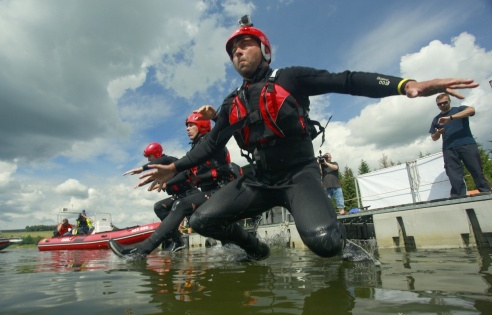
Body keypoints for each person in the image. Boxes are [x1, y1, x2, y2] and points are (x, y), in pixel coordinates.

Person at [136, 16, 478, 261]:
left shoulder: (290, 78)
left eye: (245, 44)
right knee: (201, 220)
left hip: (299, 175)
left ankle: (346, 249)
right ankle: (257, 251)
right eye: (233, 50)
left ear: (264, 50)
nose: (238, 52)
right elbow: (212, 145)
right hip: (258, 180)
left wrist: (406, 85)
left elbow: (346, 80)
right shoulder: (232, 103)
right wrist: (174, 166)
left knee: (324, 244)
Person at [109, 113, 241, 258]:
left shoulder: (211, 142)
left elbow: (168, 159)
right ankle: (231, 245)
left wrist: (145, 167)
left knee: (181, 205)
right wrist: (165, 181)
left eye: (191, 125)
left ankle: (140, 251)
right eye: (187, 126)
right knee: (230, 247)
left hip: (224, 192)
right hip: (212, 195)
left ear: (202, 125)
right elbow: (187, 173)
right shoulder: (196, 149)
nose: (187, 129)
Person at [429, 93, 490, 197]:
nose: (442, 105)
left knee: (476, 169)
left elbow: (471, 110)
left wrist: (451, 118)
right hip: (449, 148)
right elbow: (433, 137)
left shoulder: (459, 110)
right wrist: (438, 133)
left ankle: (485, 191)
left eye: (445, 103)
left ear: (449, 101)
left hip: (467, 144)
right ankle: (459, 196)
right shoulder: (436, 119)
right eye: (439, 104)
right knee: (454, 174)